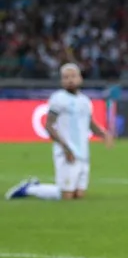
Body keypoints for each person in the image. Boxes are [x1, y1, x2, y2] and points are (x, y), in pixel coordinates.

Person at [5, 63, 113, 201]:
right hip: (66, 151)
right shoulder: (58, 98)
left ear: (80, 79)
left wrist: (104, 134)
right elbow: (49, 125)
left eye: (73, 76)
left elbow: (90, 124)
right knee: (65, 195)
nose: (70, 80)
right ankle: (30, 188)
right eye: (66, 77)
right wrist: (65, 148)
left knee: (78, 195)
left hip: (83, 153)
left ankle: (37, 187)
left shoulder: (85, 101)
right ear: (61, 81)